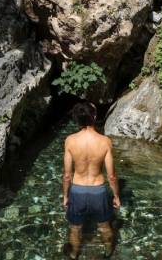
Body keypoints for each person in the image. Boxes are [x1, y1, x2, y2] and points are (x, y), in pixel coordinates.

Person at [62, 102, 120, 259]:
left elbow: (67, 175)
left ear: (78, 120)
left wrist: (66, 196)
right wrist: (116, 196)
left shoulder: (70, 140)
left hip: (78, 191)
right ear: (94, 116)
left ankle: (74, 254)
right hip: (98, 191)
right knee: (104, 225)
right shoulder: (105, 141)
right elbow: (112, 176)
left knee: (75, 228)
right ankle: (108, 252)